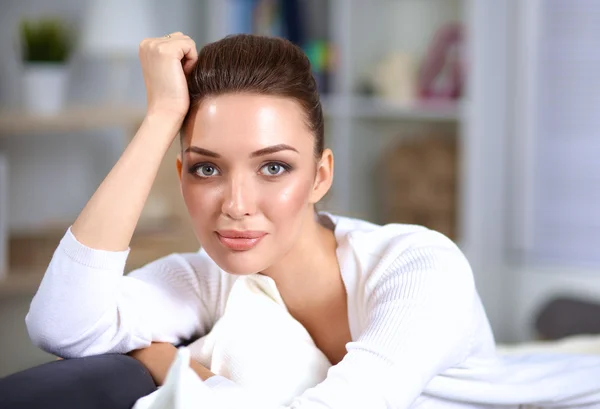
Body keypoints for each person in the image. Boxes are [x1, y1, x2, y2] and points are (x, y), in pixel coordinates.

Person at [23, 33, 600, 409]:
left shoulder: (421, 266)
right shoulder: (209, 276)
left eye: (273, 166)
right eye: (206, 170)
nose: (236, 204)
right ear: (181, 177)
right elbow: (63, 326)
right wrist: (160, 116)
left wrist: (166, 364)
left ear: (321, 175)